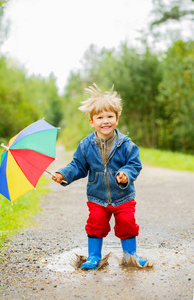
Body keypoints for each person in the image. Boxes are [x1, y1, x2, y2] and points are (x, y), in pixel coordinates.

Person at [52, 83, 150, 269]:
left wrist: (126, 174)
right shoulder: (85, 145)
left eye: (110, 116)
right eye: (100, 117)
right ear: (92, 122)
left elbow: (134, 164)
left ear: (117, 119)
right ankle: (94, 257)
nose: (105, 121)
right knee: (95, 224)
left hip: (123, 196)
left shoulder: (126, 145)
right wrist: (63, 174)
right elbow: (78, 165)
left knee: (127, 223)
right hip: (97, 197)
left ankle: (130, 256)